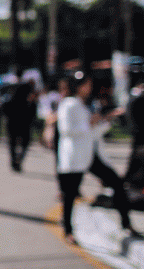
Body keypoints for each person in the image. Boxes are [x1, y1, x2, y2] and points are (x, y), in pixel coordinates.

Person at [56, 72, 138, 244]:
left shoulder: (83, 105)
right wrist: (90, 123)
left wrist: (105, 121)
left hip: (89, 155)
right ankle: (68, 230)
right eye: (86, 84)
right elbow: (66, 130)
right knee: (70, 194)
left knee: (116, 182)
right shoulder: (69, 105)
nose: (89, 88)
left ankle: (126, 223)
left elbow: (91, 134)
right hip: (75, 157)